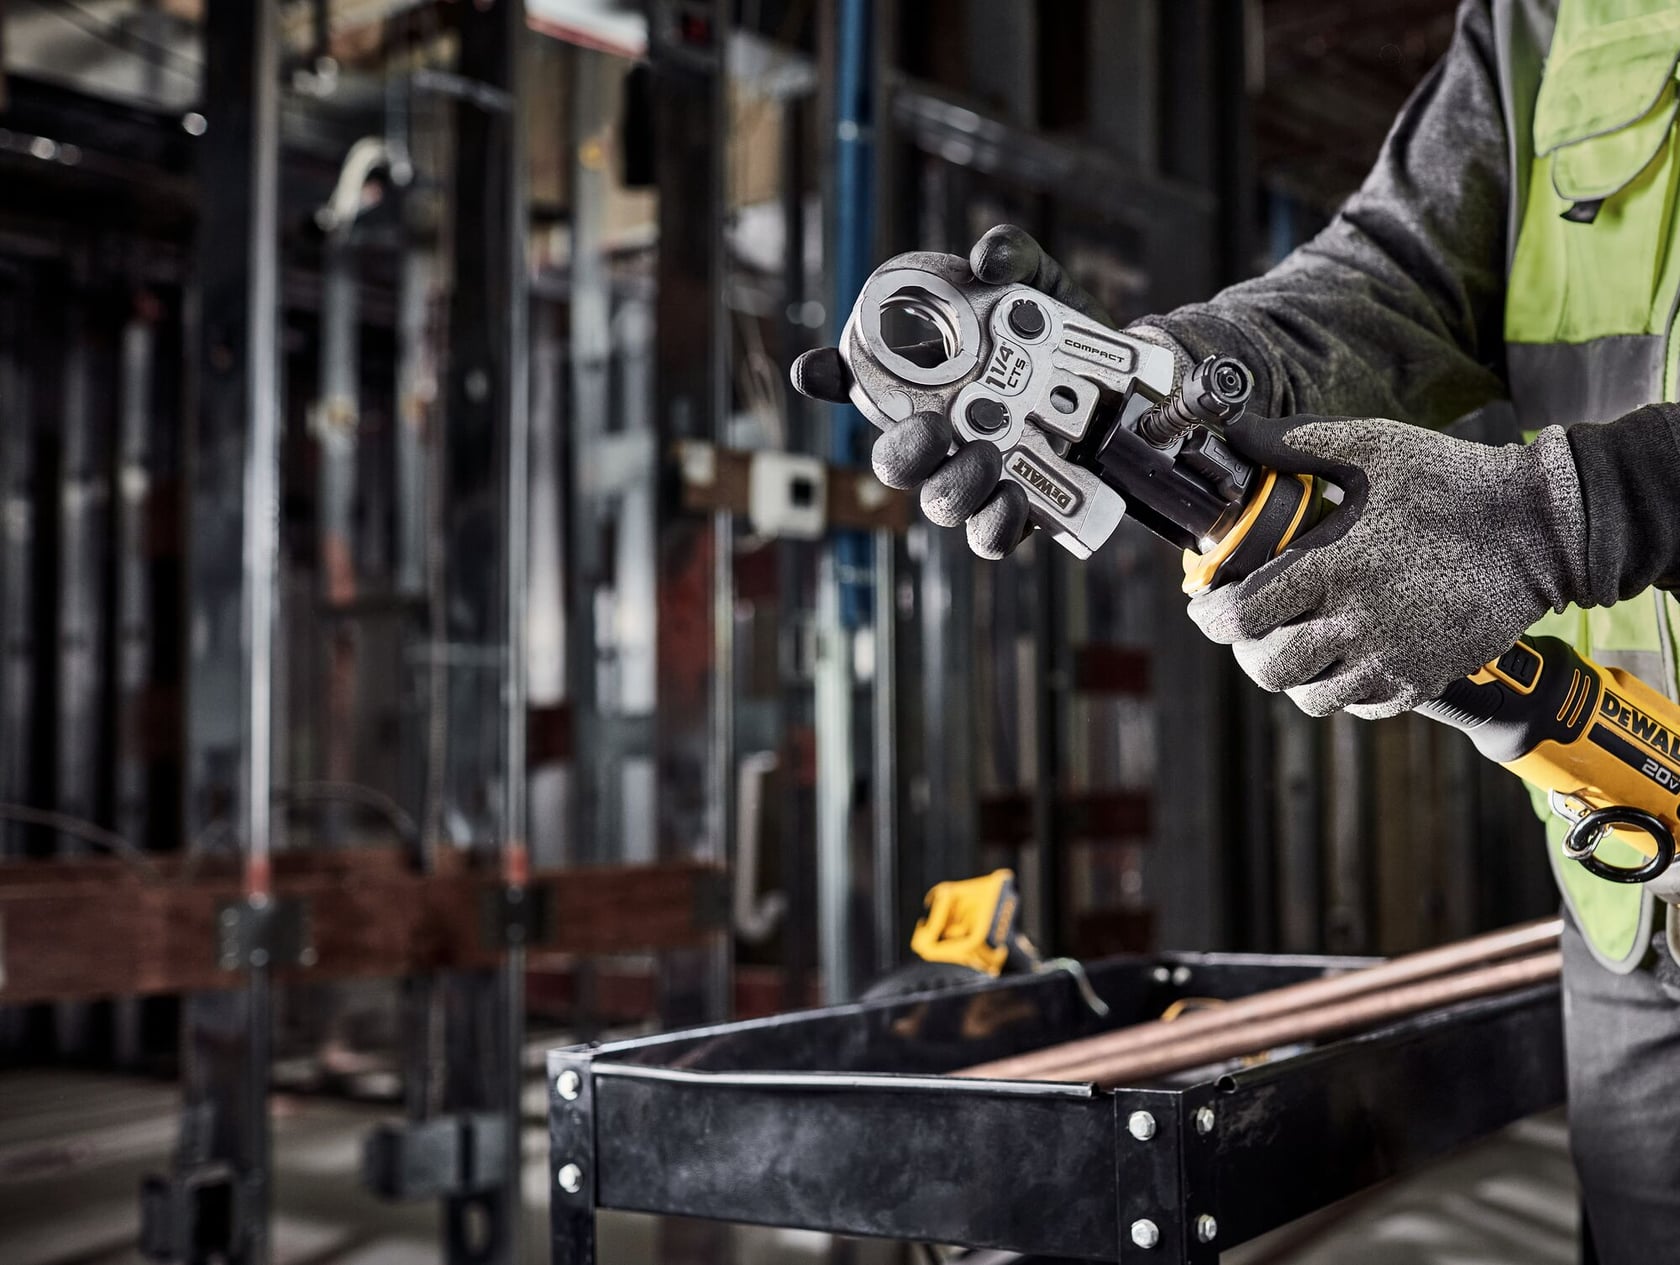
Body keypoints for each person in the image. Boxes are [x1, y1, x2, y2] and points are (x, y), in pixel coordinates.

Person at [793, 1, 1680, 1260]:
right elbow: (1397, 282)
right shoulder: (1555, 18)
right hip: (1641, 916)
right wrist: (1166, 379)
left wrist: (1572, 515)